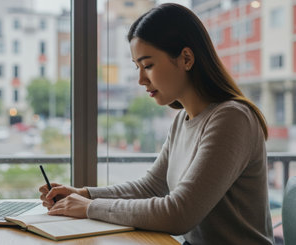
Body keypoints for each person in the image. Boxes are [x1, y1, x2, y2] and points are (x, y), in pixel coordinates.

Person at [39, 3, 273, 244]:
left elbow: (179, 214)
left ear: (186, 58)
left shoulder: (232, 119)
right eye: (137, 67)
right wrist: (84, 194)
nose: (141, 79)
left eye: (148, 65)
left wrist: (90, 207)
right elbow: (152, 187)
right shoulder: (183, 119)